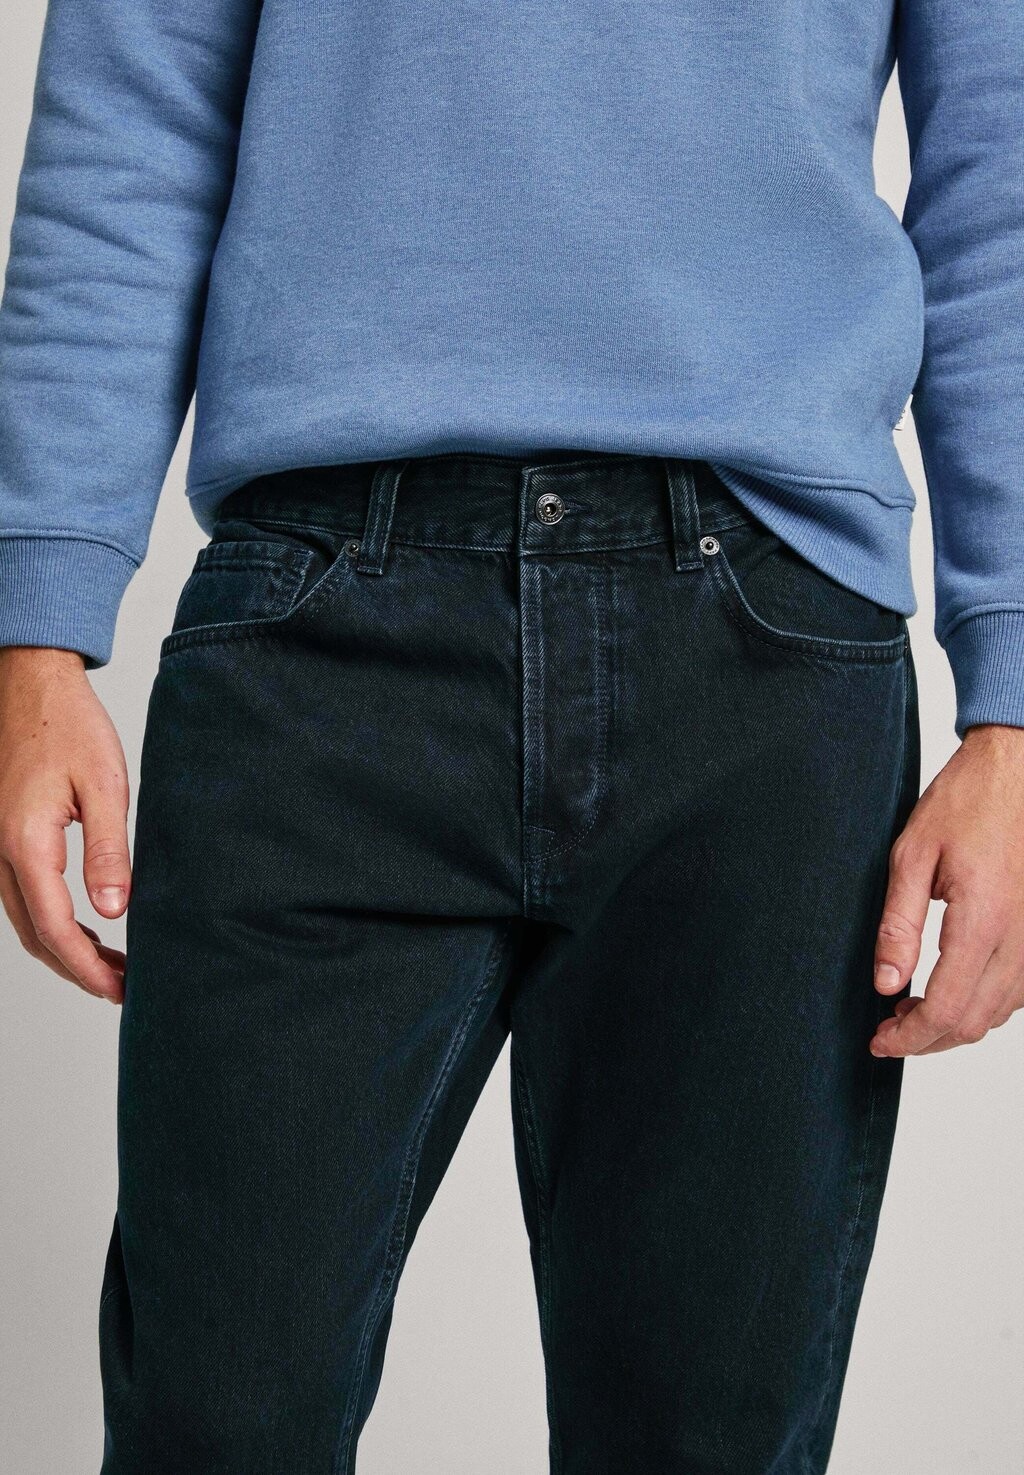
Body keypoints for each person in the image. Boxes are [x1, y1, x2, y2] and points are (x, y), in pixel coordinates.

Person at [0, 2, 1021, 1471]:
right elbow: (130, 117)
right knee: (214, 1428)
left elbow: (1000, 189)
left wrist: (1014, 710)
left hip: (765, 651)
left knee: (705, 1445)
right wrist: (37, 631)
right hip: (320, 618)